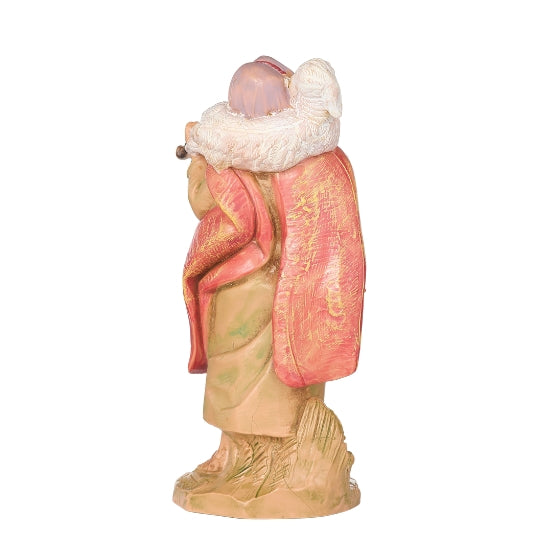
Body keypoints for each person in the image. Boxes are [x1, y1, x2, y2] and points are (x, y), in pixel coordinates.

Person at [174, 57, 366, 518]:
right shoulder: (318, 158)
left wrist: (198, 164)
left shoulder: (228, 159)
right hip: (302, 292)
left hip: (242, 290)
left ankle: (254, 460)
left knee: (242, 377)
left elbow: (206, 206)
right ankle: (244, 459)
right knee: (284, 372)